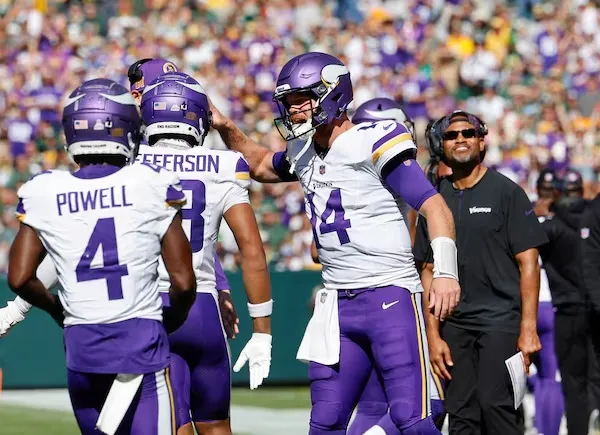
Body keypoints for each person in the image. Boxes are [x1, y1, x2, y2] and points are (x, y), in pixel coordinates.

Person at [210, 52, 461, 434]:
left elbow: (435, 207)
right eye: (289, 103)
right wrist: (226, 126)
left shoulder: (373, 140)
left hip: (389, 296)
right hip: (337, 303)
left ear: (333, 94)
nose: (293, 112)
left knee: (412, 420)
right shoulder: (304, 150)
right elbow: (260, 164)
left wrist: (445, 271)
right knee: (325, 422)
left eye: (301, 100)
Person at [0, 58, 241, 341]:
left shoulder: (127, 145)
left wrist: (18, 309)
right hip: (157, 289)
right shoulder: (175, 149)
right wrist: (216, 287)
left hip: (139, 297)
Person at [7, 78, 197, 434]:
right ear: (127, 127)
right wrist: (170, 319)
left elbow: (18, 277)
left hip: (82, 346)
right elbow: (184, 282)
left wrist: (55, 308)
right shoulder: (150, 183)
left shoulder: (45, 190)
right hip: (140, 339)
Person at [137, 71, 274, 435]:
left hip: (151, 307)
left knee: (171, 422)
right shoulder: (225, 165)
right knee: (216, 427)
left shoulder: (132, 167)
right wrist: (262, 333)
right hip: (204, 309)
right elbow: (252, 249)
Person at [415, 110, 547, 434]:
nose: (460, 139)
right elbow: (427, 269)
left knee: (496, 407)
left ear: (482, 140)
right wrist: (432, 336)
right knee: (461, 414)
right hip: (454, 326)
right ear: (440, 144)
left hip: (501, 320)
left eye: (468, 133)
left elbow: (529, 262)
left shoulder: (507, 192)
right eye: (451, 135)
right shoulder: (432, 200)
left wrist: (528, 328)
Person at [344, 98, 446, 434]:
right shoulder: (399, 178)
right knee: (423, 402)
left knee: (382, 404)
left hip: (374, 294)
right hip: (399, 294)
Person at [531, 168, 566, 435]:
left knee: (538, 378)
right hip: (553, 303)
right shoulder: (568, 220)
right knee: (551, 377)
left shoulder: (525, 217)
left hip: (526, 305)